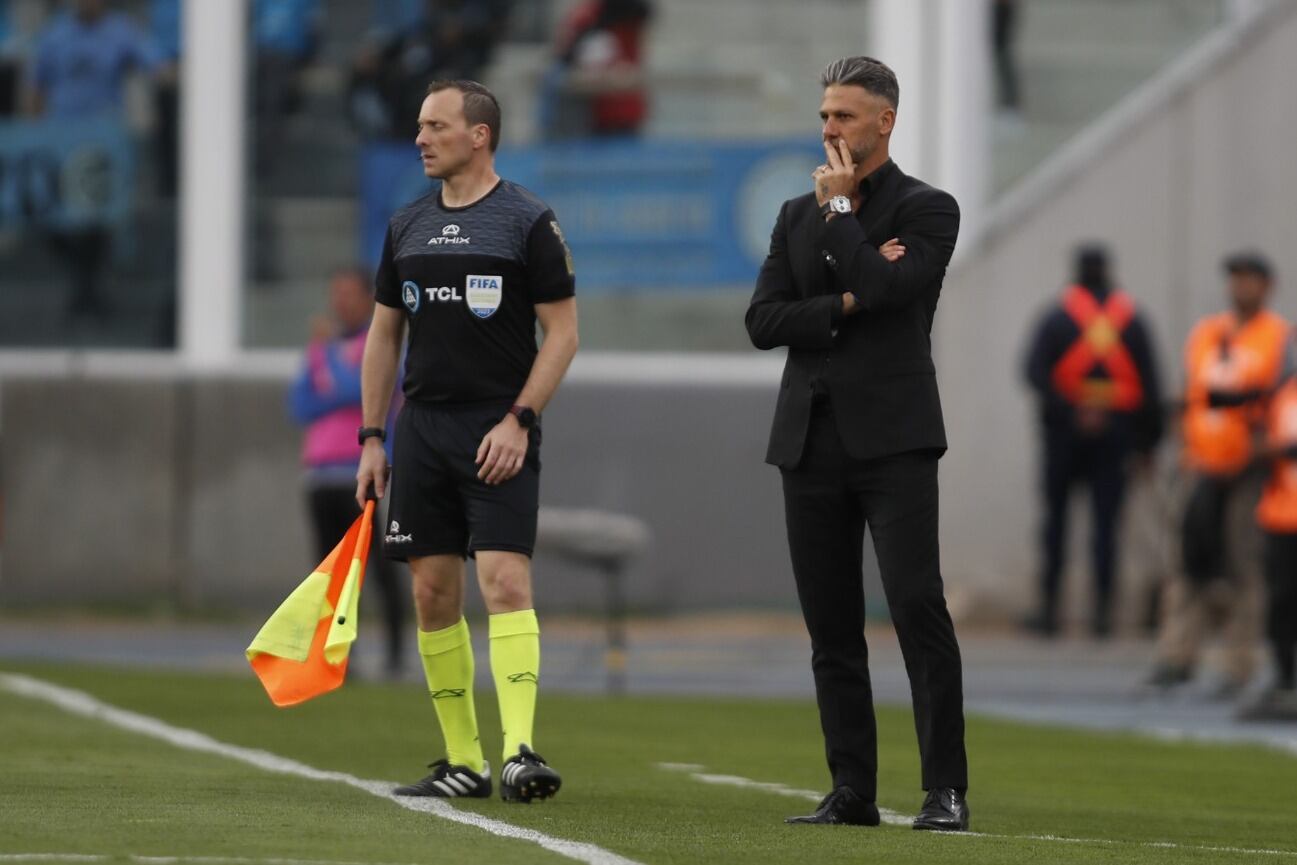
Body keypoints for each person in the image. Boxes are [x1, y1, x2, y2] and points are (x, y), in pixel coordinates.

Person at [746, 56, 969, 832]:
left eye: (843, 116)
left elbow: (888, 293)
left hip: (895, 439)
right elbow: (762, 322)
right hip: (808, 439)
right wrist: (840, 297)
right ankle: (852, 789)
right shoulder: (791, 214)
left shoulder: (928, 210)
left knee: (915, 606)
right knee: (831, 626)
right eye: (823, 116)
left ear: (885, 121)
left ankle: (944, 788)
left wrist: (842, 224)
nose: (829, 129)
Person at [356, 79, 579, 802]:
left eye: (435, 125)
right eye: (419, 125)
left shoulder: (526, 220)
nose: (420, 137)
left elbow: (564, 333)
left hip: (497, 426)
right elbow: (384, 333)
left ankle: (519, 750)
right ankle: (463, 759)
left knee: (506, 580)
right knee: (430, 593)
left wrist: (519, 419)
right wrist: (371, 436)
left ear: (478, 135)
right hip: (421, 429)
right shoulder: (407, 224)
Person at [1147, 252, 1291, 696]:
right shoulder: (1208, 333)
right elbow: (1192, 394)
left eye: (1249, 280)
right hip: (1201, 464)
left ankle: (1238, 663)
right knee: (1186, 562)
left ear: (1267, 286)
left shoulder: (1279, 338)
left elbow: (1283, 401)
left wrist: (1260, 450)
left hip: (1249, 469)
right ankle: (1177, 656)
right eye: (1235, 279)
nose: (1240, 287)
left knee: (1244, 565)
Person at [1021, 245, 1164, 638]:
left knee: (1056, 525)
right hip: (1115, 436)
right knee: (1106, 527)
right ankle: (1102, 614)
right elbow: (1151, 385)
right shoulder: (1130, 319)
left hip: (1064, 435)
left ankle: (1050, 613)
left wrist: (1071, 409)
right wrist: (1147, 443)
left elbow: (1032, 371)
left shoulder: (1057, 317)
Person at [288, 267, 407, 676]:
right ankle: (339, 658)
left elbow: (359, 390)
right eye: (335, 293)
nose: (340, 302)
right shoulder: (322, 349)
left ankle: (394, 656)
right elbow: (301, 406)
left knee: (378, 568)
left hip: (360, 472)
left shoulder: (378, 344)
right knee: (329, 572)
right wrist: (330, 377)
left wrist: (330, 368)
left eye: (349, 293)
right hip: (319, 474)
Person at [22, 0, 158, 320]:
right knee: (51, 218)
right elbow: (36, 88)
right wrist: (33, 136)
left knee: (96, 221)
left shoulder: (121, 32)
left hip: (101, 147)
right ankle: (85, 288)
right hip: (60, 143)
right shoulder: (55, 35)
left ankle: (86, 292)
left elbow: (153, 66)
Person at [1240, 334, 1297, 720]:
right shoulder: (1281, 393)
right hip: (1282, 513)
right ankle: (1284, 679)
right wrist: (1280, 450)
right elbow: (1256, 446)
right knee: (1281, 601)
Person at [539, 0, 651, 141]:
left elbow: (642, 11)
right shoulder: (584, 17)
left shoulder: (628, 17)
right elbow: (565, 58)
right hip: (593, 115)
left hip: (625, 110)